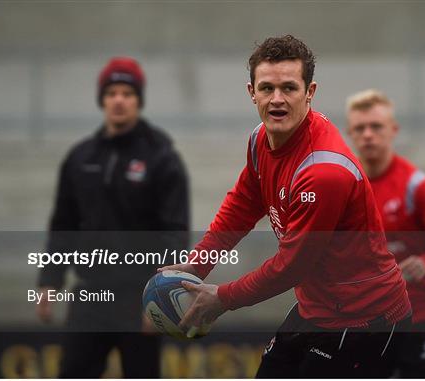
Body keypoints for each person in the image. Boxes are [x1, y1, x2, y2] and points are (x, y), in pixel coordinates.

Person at [159, 35, 411, 378]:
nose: (277, 100)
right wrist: (197, 264)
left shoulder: (324, 171)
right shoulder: (260, 139)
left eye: (289, 88)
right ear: (252, 92)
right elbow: (243, 204)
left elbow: (292, 265)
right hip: (316, 309)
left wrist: (222, 298)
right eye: (266, 88)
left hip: (366, 321)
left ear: (310, 92)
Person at [37, 57, 189, 378]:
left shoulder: (161, 157)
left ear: (138, 100)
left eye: (127, 93)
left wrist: (158, 301)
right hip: (90, 294)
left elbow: (174, 234)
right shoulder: (79, 158)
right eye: (112, 93)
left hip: (139, 298)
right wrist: (49, 281)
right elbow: (63, 224)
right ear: (102, 100)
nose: (119, 100)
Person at [345, 89, 425, 378]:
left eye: (376, 126)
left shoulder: (418, 186)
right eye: (359, 128)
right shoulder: (343, 187)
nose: (368, 135)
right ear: (350, 134)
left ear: (393, 130)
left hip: (419, 318)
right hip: (363, 322)